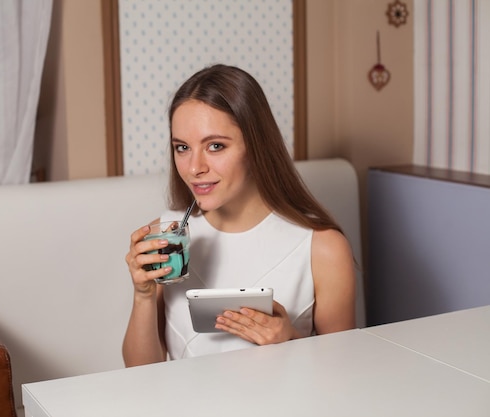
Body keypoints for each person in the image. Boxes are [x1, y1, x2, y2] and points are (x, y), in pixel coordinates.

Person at [123, 64, 356, 367]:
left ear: (256, 146)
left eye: (215, 146)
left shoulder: (324, 249)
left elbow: (345, 373)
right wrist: (143, 295)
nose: (194, 168)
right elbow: (139, 374)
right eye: (182, 147)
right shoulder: (166, 238)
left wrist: (292, 342)